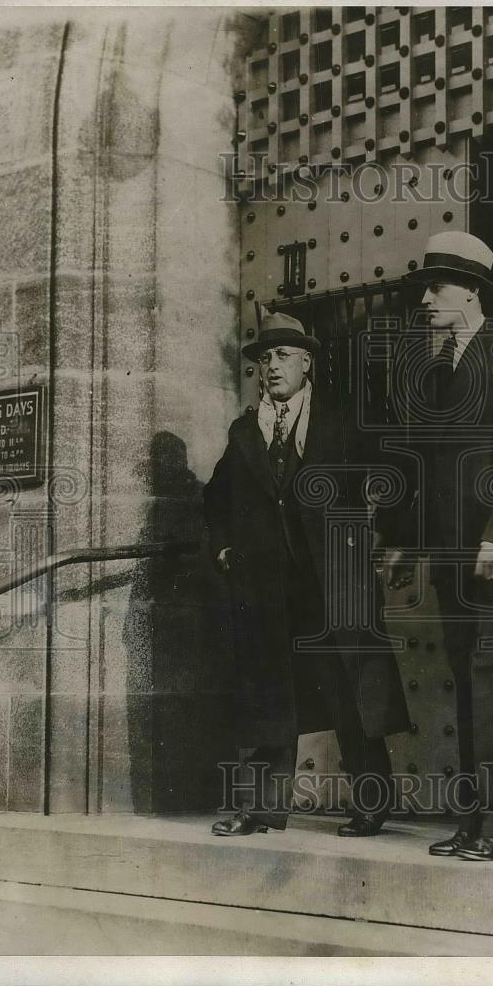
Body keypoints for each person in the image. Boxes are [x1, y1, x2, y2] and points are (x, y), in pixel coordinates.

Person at [204, 310, 409, 838]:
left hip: (334, 580)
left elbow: (392, 475)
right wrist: (225, 546)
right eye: (264, 358)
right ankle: (262, 809)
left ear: (307, 363)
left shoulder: (340, 420)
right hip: (272, 588)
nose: (271, 367)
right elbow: (216, 498)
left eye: (283, 356)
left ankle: (370, 804)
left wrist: (387, 536)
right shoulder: (245, 429)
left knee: (352, 691)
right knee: (270, 691)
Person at [386, 231, 493, 861]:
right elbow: (429, 468)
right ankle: (475, 821)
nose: (426, 299)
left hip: (492, 554)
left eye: (438, 287)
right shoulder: (438, 366)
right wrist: (404, 541)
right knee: (467, 678)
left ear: (473, 291)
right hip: (452, 554)